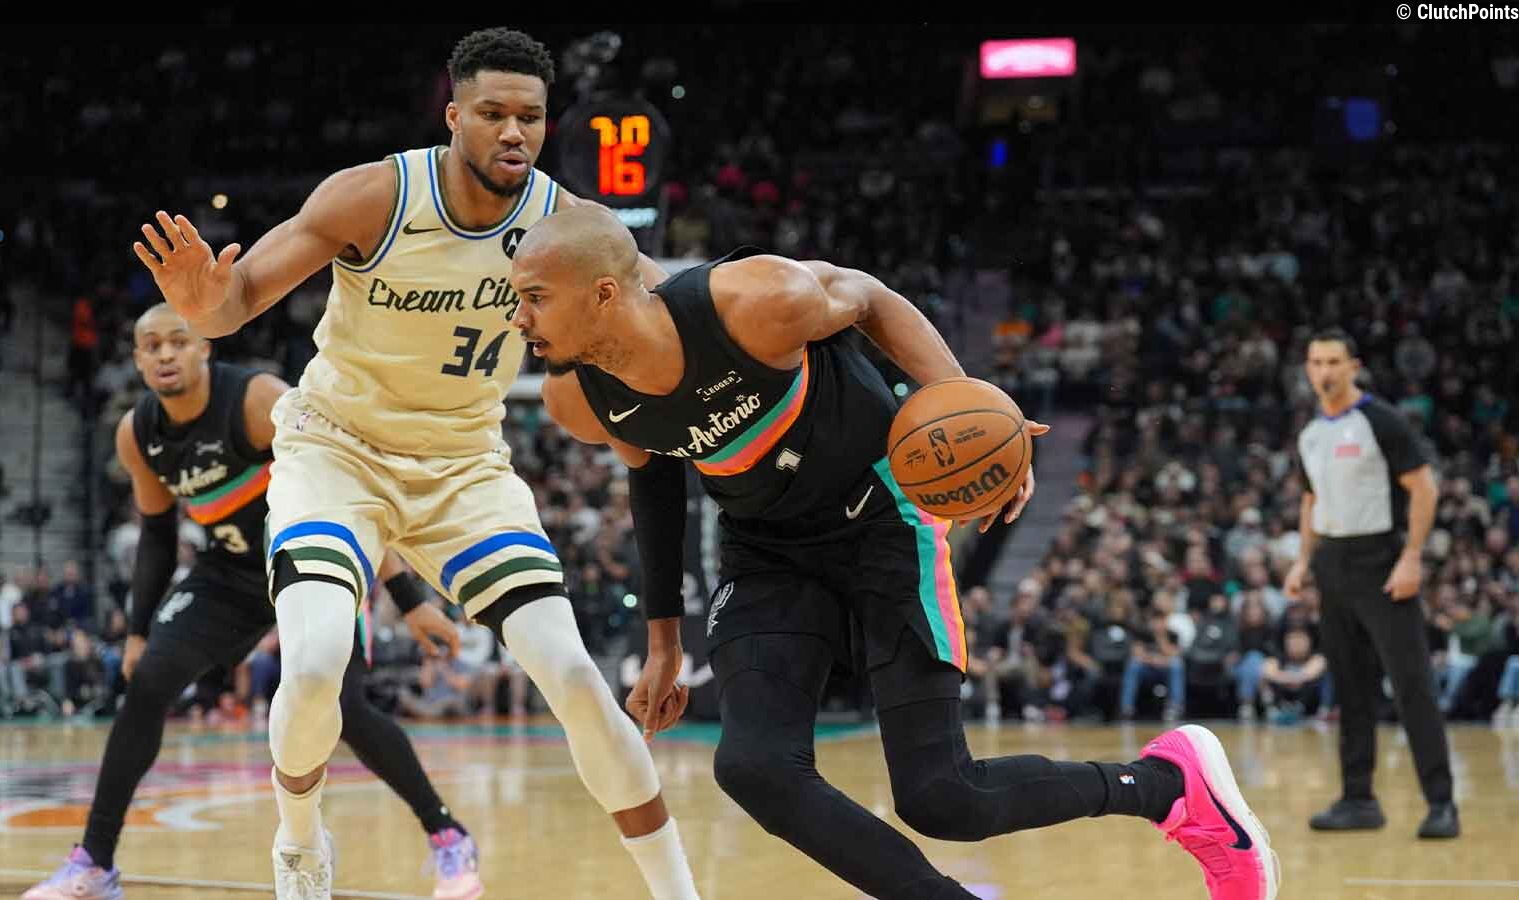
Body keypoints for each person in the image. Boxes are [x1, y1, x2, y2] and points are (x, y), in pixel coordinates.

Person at [520, 206, 1279, 900]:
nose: (519, 318)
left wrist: (971, 406)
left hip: (880, 520)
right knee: (754, 767)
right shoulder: (576, 397)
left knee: (944, 798)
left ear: (604, 293)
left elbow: (871, 298)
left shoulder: (755, 301)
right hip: (766, 552)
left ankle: (1164, 785)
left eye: (535, 298)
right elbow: (653, 476)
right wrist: (663, 644)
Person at [130, 27, 698, 900]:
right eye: (494, 113)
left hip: (463, 464)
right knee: (314, 664)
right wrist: (202, 302)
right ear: (454, 117)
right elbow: (234, 303)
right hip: (337, 450)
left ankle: (679, 892)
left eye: (531, 117)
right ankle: (299, 841)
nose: (514, 132)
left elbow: (678, 309)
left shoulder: (566, 226)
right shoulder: (376, 196)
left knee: (574, 675)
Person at [21, 306, 482, 900]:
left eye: (178, 341)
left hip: (307, 560)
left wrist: (409, 599)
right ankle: (94, 864)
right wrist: (137, 631)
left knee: (344, 709)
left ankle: (448, 836)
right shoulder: (138, 435)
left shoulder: (258, 400)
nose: (165, 354)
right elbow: (157, 536)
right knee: (149, 682)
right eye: (152, 346)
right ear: (137, 360)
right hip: (230, 573)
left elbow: (346, 487)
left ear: (204, 348)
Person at [1284, 327, 1457, 839]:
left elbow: (1424, 487)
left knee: (1411, 684)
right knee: (1350, 686)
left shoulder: (1381, 420)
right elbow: (1311, 500)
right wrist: (1302, 561)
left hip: (1381, 560)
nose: (1324, 371)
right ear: (1308, 369)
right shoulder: (1311, 434)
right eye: (1316, 362)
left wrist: (1412, 556)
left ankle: (1441, 803)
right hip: (1332, 565)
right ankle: (1358, 799)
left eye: (1333, 362)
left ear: (1353, 367)